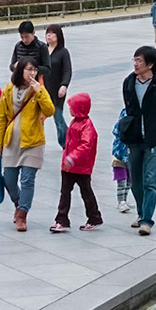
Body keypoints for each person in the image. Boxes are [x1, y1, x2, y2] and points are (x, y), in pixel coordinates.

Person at [0, 59, 55, 232]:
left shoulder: (38, 90)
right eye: (29, 69)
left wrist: (39, 91)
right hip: (12, 141)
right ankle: (19, 203)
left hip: (33, 141)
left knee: (27, 179)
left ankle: (22, 215)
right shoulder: (8, 90)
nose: (32, 73)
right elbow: (2, 118)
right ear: (20, 70)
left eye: (35, 70)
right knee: (9, 180)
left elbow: (50, 110)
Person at [119, 46, 156, 237]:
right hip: (133, 137)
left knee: (150, 181)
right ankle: (142, 213)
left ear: (150, 64)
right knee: (135, 181)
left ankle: (147, 220)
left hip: (153, 140)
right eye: (134, 60)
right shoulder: (129, 82)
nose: (135, 64)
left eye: (139, 61)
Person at [51, 92, 103, 233]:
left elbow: (85, 146)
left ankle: (93, 217)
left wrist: (72, 158)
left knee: (85, 192)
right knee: (66, 193)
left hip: (80, 167)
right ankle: (62, 219)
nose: (69, 109)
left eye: (72, 106)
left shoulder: (86, 126)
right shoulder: (76, 122)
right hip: (69, 167)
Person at [43, 25, 73, 147]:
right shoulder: (43, 50)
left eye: (52, 33)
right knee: (38, 118)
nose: (49, 35)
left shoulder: (63, 52)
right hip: (42, 89)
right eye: (47, 33)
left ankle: (65, 143)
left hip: (57, 90)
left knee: (58, 118)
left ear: (58, 36)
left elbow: (67, 71)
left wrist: (64, 85)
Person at [110, 107, 132, 214]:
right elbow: (117, 131)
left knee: (129, 180)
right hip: (120, 155)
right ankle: (121, 201)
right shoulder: (125, 115)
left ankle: (125, 199)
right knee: (122, 180)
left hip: (130, 156)